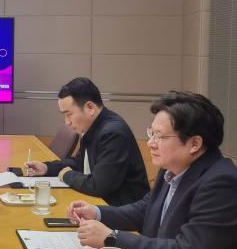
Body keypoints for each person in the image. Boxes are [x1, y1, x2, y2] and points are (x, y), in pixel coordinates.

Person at [69, 91, 237, 249]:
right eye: (151, 133)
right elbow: (146, 210)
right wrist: (97, 213)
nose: (150, 143)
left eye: (160, 136)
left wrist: (112, 238)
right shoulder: (172, 168)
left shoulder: (222, 184)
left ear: (194, 143)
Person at [25, 77, 149, 206]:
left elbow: (98, 185)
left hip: (124, 212)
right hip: (104, 205)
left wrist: (67, 175)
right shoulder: (95, 126)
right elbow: (79, 163)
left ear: (90, 107)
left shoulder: (113, 133)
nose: (67, 122)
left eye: (69, 114)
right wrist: (47, 168)